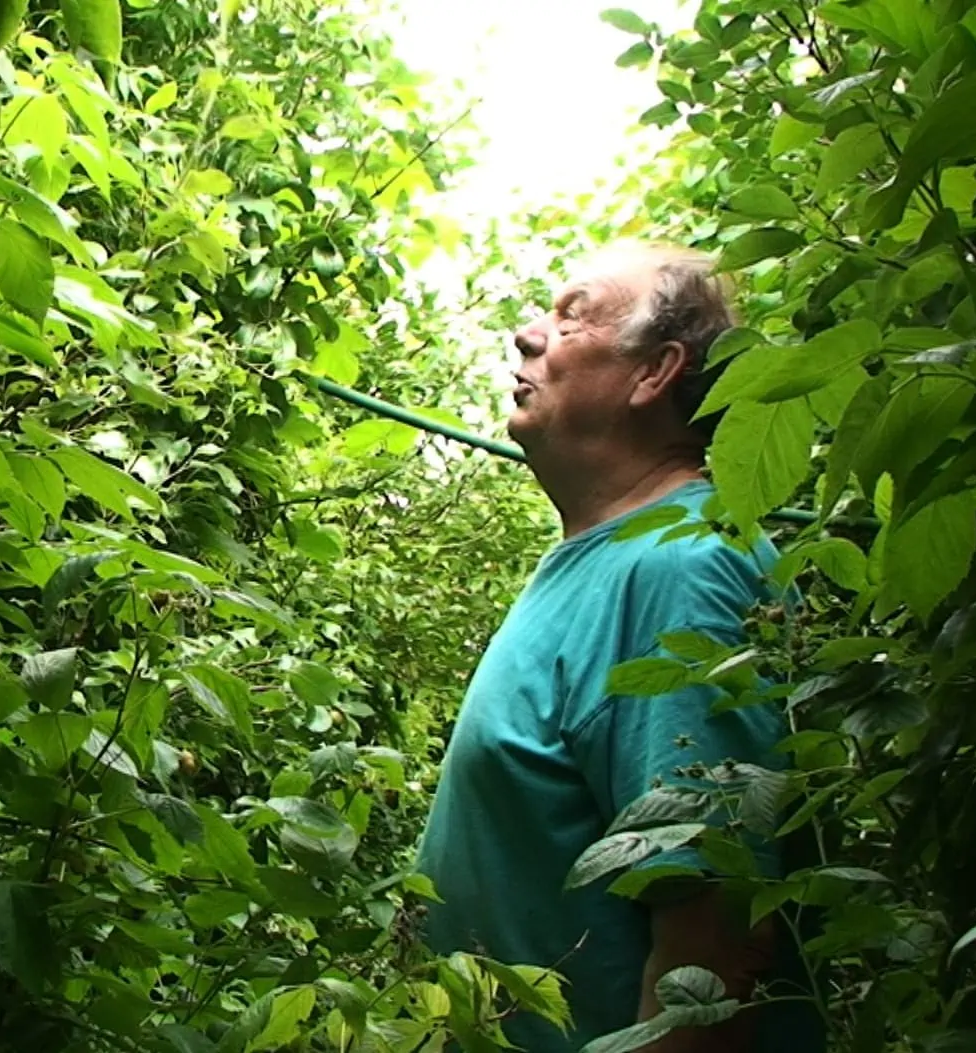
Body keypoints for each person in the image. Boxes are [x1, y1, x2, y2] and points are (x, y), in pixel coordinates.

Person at [411, 242, 818, 1052]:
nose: (530, 336)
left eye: (572, 315)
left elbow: (714, 954)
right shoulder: (610, 556)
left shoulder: (685, 570)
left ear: (654, 372)